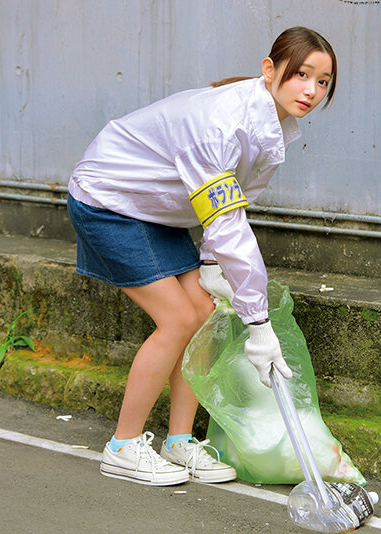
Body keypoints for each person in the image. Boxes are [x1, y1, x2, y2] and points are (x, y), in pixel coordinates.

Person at [67, 26, 337, 486]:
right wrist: (258, 323)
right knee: (176, 319)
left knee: (205, 312)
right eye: (302, 75)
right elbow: (230, 226)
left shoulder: (275, 128)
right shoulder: (220, 124)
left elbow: (232, 205)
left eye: (324, 81)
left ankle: (178, 441)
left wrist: (213, 265)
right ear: (270, 70)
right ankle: (123, 446)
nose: (312, 90)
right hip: (108, 200)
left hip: (158, 209)